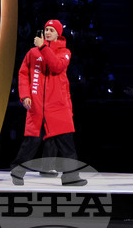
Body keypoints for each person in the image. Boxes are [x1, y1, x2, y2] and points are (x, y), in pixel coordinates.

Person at [11, 19, 86, 186]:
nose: (48, 32)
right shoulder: (32, 52)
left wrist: (43, 47)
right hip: (37, 105)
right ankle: (17, 170)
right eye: (46, 29)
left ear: (59, 33)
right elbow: (23, 74)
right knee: (32, 142)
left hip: (58, 106)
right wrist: (25, 95)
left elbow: (56, 66)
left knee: (66, 143)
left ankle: (71, 177)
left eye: (52, 30)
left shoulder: (64, 52)